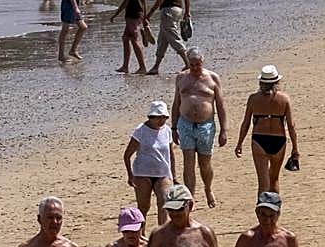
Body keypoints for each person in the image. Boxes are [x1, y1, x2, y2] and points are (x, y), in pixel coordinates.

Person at [171, 47, 226, 209]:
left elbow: (221, 105)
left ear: (202, 62)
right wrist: (173, 127)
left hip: (206, 125)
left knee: (205, 163)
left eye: (198, 64)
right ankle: (190, 197)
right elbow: (176, 103)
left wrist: (224, 130)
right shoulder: (181, 78)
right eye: (192, 64)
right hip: (185, 123)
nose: (195, 68)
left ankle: (208, 189)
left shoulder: (212, 78)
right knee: (188, 162)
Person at [234, 65, 298, 194]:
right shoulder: (284, 99)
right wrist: (295, 147)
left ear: (261, 82)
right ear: (277, 82)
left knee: (263, 182)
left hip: (259, 139)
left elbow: (246, 123)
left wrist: (239, 143)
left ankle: (262, 211)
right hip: (279, 140)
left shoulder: (253, 99)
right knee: (274, 179)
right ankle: (274, 211)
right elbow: (291, 125)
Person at [124, 101, 177, 221]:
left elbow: (171, 153)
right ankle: (140, 235)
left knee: (164, 203)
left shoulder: (167, 131)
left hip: (163, 173)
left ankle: (162, 235)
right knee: (143, 207)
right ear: (150, 117)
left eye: (164, 117)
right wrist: (130, 175)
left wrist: (173, 175)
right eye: (158, 117)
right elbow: (127, 155)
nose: (161, 120)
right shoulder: (141, 130)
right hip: (142, 174)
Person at [146, 0, 190, 74]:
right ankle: (156, 66)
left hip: (168, 10)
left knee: (173, 37)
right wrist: (187, 11)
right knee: (163, 39)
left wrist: (150, 12)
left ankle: (187, 63)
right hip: (178, 9)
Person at [110, 0, 148, 74]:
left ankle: (142, 67)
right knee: (126, 38)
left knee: (135, 40)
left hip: (132, 14)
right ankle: (125, 66)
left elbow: (126, 2)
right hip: (139, 13)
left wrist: (116, 14)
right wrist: (145, 14)